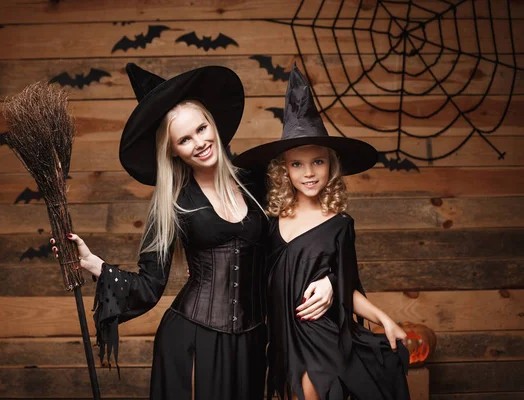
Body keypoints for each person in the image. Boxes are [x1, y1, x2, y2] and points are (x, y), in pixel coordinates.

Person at [51, 63, 334, 400]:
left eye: (201, 128)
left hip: (254, 340)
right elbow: (149, 284)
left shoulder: (257, 180)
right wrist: (94, 263)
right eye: (184, 139)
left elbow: (296, 240)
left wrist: (328, 277)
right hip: (192, 341)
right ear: (172, 149)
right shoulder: (172, 202)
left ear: (213, 123)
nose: (199, 142)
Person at [233, 65, 410, 400]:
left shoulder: (341, 225)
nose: (309, 173)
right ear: (284, 170)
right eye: (297, 164)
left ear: (331, 165)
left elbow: (349, 288)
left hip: (324, 340)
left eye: (318, 162)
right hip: (283, 339)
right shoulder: (269, 223)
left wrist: (385, 319)